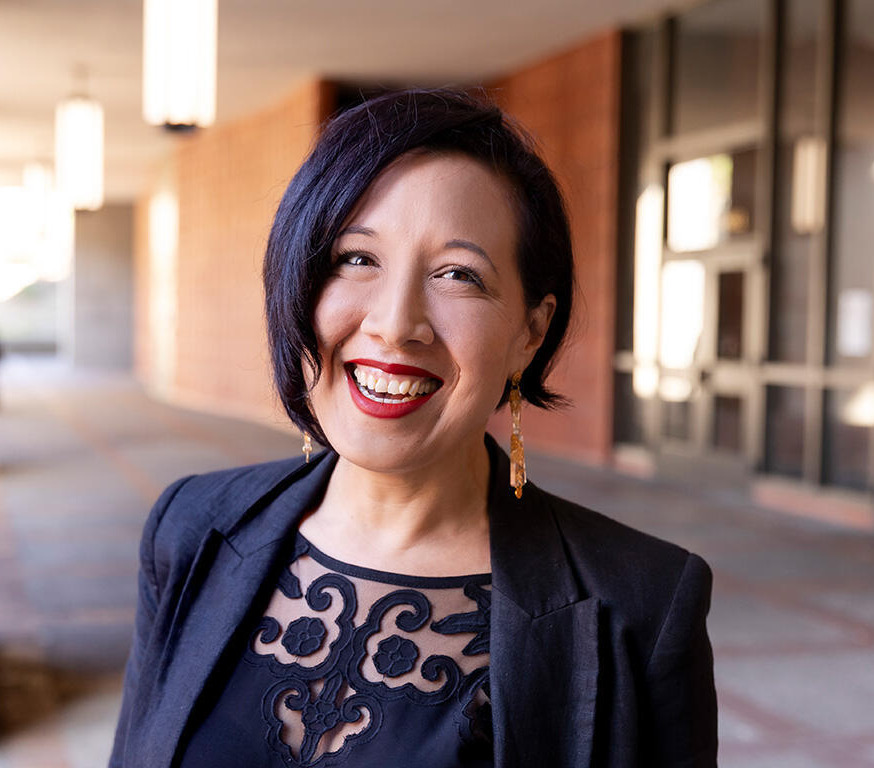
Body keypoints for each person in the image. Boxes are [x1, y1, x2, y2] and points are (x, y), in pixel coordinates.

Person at [109, 89, 717, 768]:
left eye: (458, 274)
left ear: (530, 332)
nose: (395, 324)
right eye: (356, 258)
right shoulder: (191, 529)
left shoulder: (640, 604)